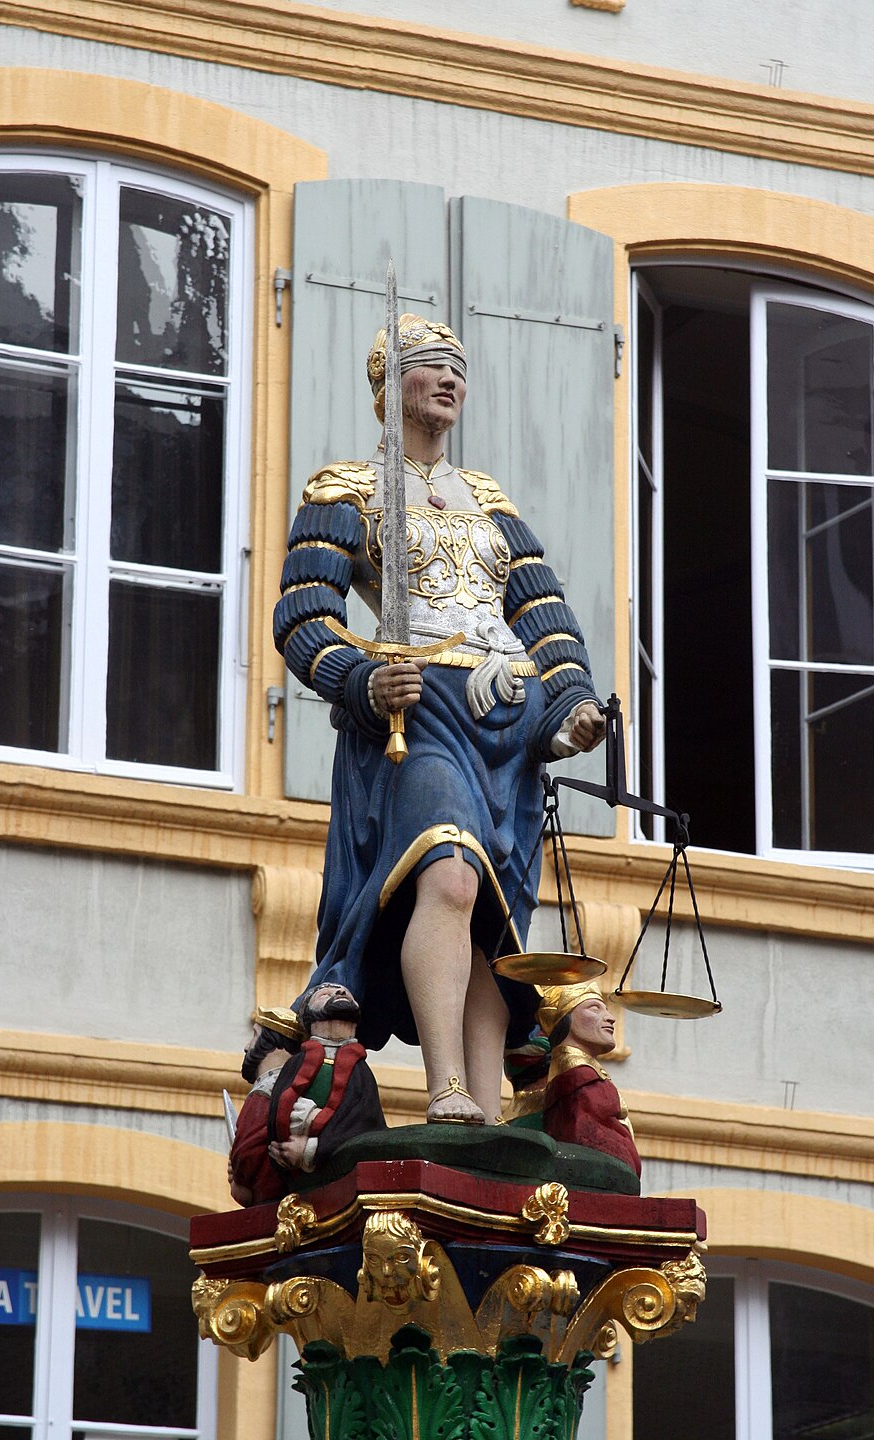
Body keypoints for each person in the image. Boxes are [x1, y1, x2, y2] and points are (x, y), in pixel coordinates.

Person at [273, 314, 605, 1126]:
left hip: (507, 721)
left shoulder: (490, 500)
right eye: (430, 366)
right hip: (416, 710)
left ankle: (486, 1107)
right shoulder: (344, 489)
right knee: (449, 875)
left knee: (499, 919)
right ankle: (445, 1086)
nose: (450, 379)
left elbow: (544, 616)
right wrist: (358, 679)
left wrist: (572, 707)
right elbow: (303, 615)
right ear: (391, 386)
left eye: (458, 367)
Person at [229, 985, 385, 1206]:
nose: (339, 994)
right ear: (309, 1015)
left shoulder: (361, 1073)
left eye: (346, 993)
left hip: (342, 1186)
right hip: (295, 1189)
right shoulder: (296, 1064)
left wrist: (310, 1149)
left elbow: (363, 1125)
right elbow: (276, 1116)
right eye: (325, 995)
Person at [538, 982, 641, 1178]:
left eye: (606, 1010)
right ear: (565, 1019)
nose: (610, 1018)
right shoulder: (577, 1078)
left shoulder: (585, 1075)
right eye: (594, 1008)